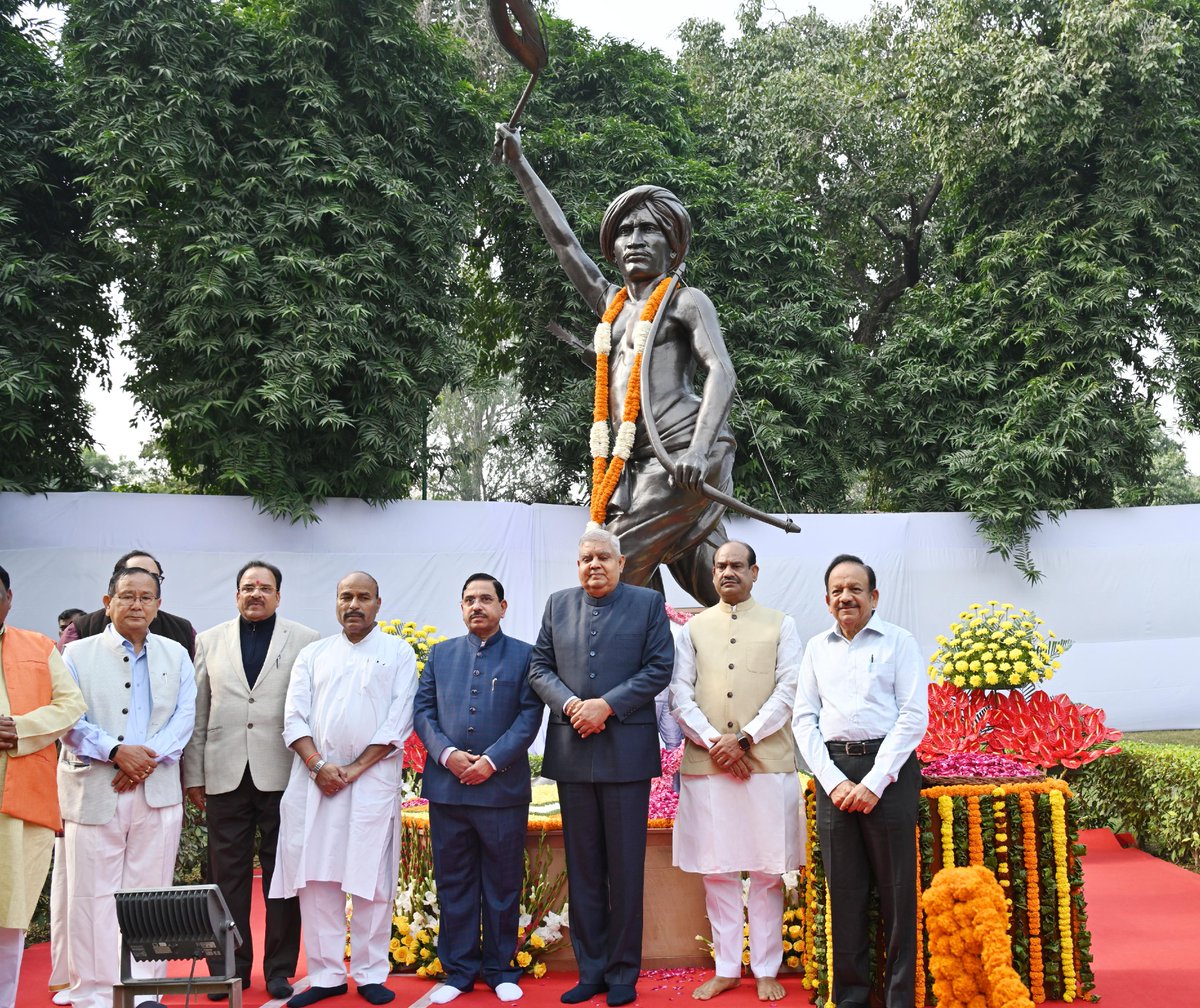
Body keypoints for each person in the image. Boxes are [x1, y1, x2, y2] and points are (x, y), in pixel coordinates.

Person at [495, 124, 736, 607]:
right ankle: (727, 646)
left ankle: (606, 647)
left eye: (649, 229)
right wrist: (520, 165)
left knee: (612, 555)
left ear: (673, 244)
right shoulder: (612, 304)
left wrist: (697, 450)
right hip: (632, 462)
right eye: (625, 231)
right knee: (716, 580)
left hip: (683, 452)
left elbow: (722, 371)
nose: (635, 240)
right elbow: (564, 242)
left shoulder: (686, 300)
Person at [528, 529, 674, 1007]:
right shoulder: (558, 604)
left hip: (625, 755)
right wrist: (572, 705)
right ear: (578, 564)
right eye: (586, 557)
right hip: (573, 752)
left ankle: (623, 972)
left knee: (625, 869)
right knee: (584, 867)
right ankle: (590, 969)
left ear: (621, 562)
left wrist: (606, 706)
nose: (594, 564)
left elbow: (659, 668)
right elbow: (539, 668)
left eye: (603, 557)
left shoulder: (647, 604)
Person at [271, 572, 418, 1008]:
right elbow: (293, 717)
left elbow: (399, 719)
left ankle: (370, 972)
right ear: (336, 603)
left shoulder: (398, 652)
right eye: (346, 596)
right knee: (317, 879)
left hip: (371, 781)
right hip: (315, 782)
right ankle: (327, 975)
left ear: (378, 603)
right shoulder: (313, 654)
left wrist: (353, 770)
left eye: (363, 597)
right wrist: (318, 766)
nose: (354, 604)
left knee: (371, 879)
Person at [792, 555, 929, 1008]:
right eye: (837, 591)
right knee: (845, 892)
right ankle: (850, 997)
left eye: (854, 589)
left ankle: (899, 999)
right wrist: (832, 781)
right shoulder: (817, 648)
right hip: (833, 772)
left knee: (897, 893)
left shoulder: (899, 642)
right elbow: (803, 719)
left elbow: (913, 716)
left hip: (890, 772)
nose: (845, 597)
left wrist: (875, 781)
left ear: (874, 596)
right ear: (826, 600)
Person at [59, 565, 197, 1008]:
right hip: (96, 789)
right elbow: (68, 718)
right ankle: (95, 992)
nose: (137, 604)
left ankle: (145, 990)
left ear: (158, 605)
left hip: (157, 791)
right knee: (92, 895)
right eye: (127, 596)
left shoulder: (176, 654)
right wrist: (117, 752)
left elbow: (185, 718)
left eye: (145, 597)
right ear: (108, 603)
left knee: (150, 896)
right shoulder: (76, 654)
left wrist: (142, 760)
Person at [670, 542, 803, 1002]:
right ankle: (726, 968)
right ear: (712, 574)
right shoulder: (691, 629)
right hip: (710, 767)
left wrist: (744, 740)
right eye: (720, 566)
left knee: (767, 872)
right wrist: (717, 743)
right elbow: (679, 693)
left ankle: (765, 968)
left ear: (754, 572)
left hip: (766, 764)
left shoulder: (781, 624)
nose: (728, 572)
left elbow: (790, 688)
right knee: (718, 870)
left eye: (737, 565)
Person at [183, 560, 321, 1000]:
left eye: (264, 587)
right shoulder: (209, 640)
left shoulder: (306, 640)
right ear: (236, 594)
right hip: (224, 773)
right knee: (226, 877)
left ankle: (280, 969)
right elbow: (199, 711)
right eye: (247, 587)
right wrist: (193, 774)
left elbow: (312, 711)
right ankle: (229, 970)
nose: (255, 594)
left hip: (283, 772)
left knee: (283, 875)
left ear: (278, 595)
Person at [414, 573, 543, 1005]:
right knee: (454, 882)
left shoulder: (525, 656)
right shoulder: (440, 654)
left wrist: (490, 761)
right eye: (469, 599)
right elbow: (423, 711)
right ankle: (459, 971)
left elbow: (529, 716)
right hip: (448, 789)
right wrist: (447, 754)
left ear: (502, 607)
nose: (477, 606)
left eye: (486, 599)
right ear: (461, 606)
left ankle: (501, 968)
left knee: (503, 884)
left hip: (501, 790)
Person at [0, 565, 86, 1007]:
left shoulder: (37, 646)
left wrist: (21, 728)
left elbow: (71, 705)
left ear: (9, 598)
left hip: (18, 803)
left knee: (8, 915)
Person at [60, 550, 197, 658]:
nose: (137, 606)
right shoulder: (82, 629)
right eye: (136, 572)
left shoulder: (182, 630)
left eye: (154, 576)